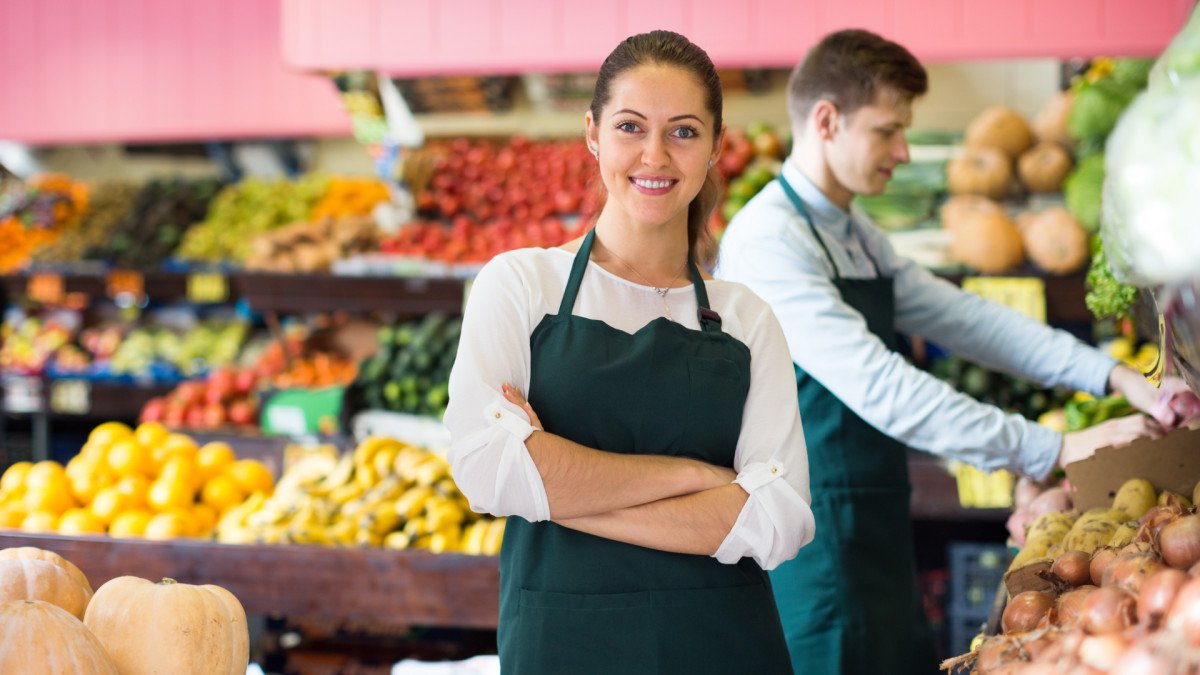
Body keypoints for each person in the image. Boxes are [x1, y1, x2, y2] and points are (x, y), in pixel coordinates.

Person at [715, 28, 1196, 674]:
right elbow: (883, 385)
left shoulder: (848, 228)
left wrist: (1113, 374)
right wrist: (1049, 447)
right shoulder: (769, 242)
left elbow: (966, 318)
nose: (904, 150)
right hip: (815, 533)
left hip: (873, 517)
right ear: (827, 120)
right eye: (887, 130)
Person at [444, 30, 815, 674]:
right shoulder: (521, 284)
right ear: (592, 134)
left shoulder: (747, 317)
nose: (655, 155)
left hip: (721, 646)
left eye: (683, 132)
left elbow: (778, 520)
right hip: (563, 646)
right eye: (630, 126)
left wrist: (555, 489)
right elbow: (486, 469)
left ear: (716, 146)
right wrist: (697, 478)